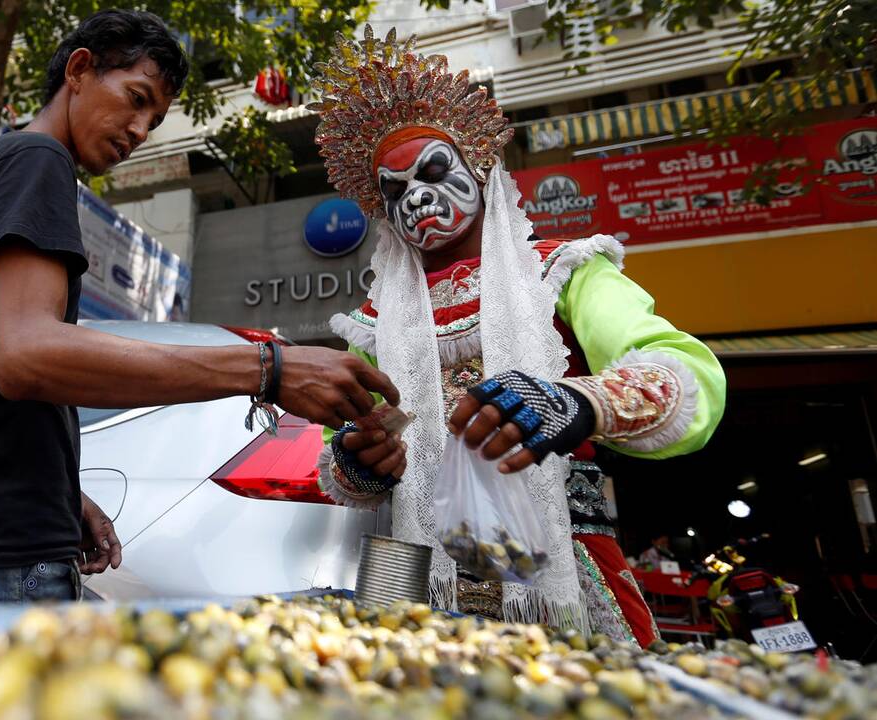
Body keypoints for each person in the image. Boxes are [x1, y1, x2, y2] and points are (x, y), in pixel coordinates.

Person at [0, 10, 400, 606]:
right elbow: (26, 356)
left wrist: (59, 495)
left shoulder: (5, 165)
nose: (140, 130)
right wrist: (269, 368)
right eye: (135, 98)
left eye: (153, 119)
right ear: (79, 70)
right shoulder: (34, 162)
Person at [310, 26, 726, 646]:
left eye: (433, 171)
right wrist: (357, 457)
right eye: (394, 192)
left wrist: (581, 402)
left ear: (480, 170)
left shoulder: (562, 272)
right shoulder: (376, 321)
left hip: (561, 558)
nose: (417, 198)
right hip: (413, 573)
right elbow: (343, 453)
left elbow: (688, 375)